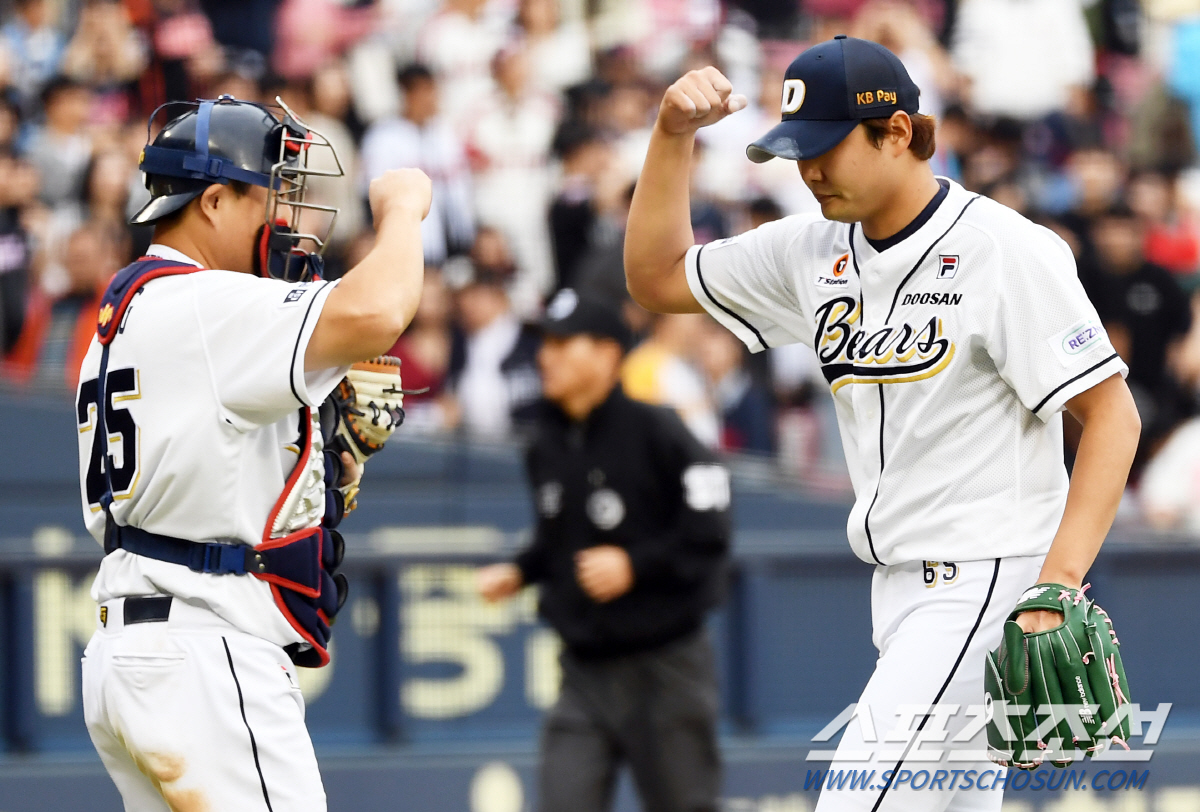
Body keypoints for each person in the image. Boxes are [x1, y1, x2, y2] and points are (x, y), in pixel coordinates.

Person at [624, 36, 1141, 809]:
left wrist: (1057, 582)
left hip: (985, 582)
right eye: (797, 151)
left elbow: (1110, 413)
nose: (810, 170)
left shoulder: (1002, 248)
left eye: (829, 146)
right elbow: (656, 278)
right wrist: (670, 138)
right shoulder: (811, 250)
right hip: (901, 594)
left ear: (897, 132)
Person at [76, 96, 430, 811]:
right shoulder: (204, 303)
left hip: (137, 648)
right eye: (271, 192)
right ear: (212, 200)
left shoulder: (130, 312)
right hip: (204, 651)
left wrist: (316, 466)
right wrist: (402, 208)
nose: (286, 217)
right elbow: (378, 311)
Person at [477, 288, 731, 812]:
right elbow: (556, 541)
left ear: (609, 354)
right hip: (583, 671)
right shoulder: (544, 444)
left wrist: (633, 566)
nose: (546, 355)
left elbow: (710, 531)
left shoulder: (659, 430)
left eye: (563, 343)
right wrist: (520, 571)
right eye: (544, 343)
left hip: (665, 666)